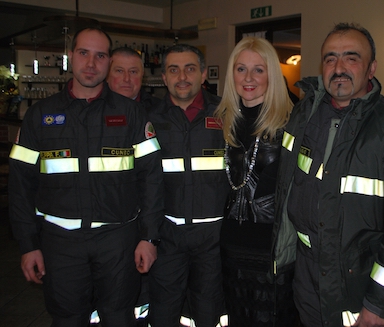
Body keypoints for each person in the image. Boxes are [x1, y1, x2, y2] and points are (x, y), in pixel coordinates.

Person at [8, 27, 164, 327]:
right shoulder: (40, 115)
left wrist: (149, 237)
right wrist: (28, 244)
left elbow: (152, 181)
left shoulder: (131, 114)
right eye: (84, 53)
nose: (91, 63)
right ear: (70, 57)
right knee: (67, 319)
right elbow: (20, 185)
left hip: (118, 240)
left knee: (119, 317)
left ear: (108, 62)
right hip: (60, 242)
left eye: (100, 55)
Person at [273, 22, 384, 327]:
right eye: (330, 58)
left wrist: (380, 306)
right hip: (305, 277)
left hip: (358, 289)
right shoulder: (305, 115)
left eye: (351, 58)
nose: (338, 67)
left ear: (371, 69)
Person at [214, 37, 297, 326]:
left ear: (272, 75)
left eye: (258, 70)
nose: (248, 78)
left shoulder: (292, 125)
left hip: (271, 254)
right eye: (240, 69)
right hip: (229, 252)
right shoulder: (221, 123)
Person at [146, 44, 227, 327]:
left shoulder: (227, 113)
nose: (182, 76)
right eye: (173, 69)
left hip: (214, 238)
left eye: (190, 68)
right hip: (167, 236)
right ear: (164, 78)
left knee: (209, 313)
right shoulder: (149, 118)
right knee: (164, 312)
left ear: (203, 74)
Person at [107, 45, 162, 323]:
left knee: (143, 301)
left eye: (134, 72)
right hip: (104, 234)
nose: (127, 79)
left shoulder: (158, 113)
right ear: (107, 73)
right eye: (119, 71)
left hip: (147, 227)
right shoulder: (89, 114)